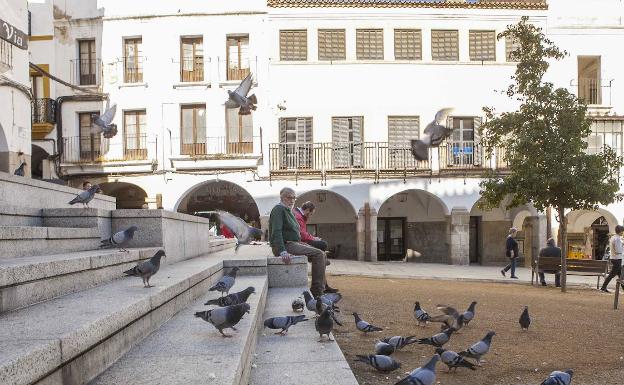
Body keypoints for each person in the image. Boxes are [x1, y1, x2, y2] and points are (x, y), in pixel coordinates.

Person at [269, 187, 337, 297]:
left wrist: (302, 243)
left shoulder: (288, 210)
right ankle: (317, 291)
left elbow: (295, 232)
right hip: (285, 245)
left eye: (294, 198)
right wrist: (282, 251)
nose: (292, 200)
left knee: (322, 253)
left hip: (293, 243)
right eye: (289, 197)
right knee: (319, 254)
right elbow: (276, 231)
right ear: (282, 198)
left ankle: (323, 286)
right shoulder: (278, 209)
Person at [600, 225, 624, 293]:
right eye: (622, 231)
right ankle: (603, 287)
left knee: (620, 275)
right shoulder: (617, 239)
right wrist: (622, 247)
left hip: (614, 258)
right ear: (621, 231)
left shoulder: (613, 237)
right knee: (612, 275)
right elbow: (618, 250)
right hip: (617, 258)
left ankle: (604, 287)